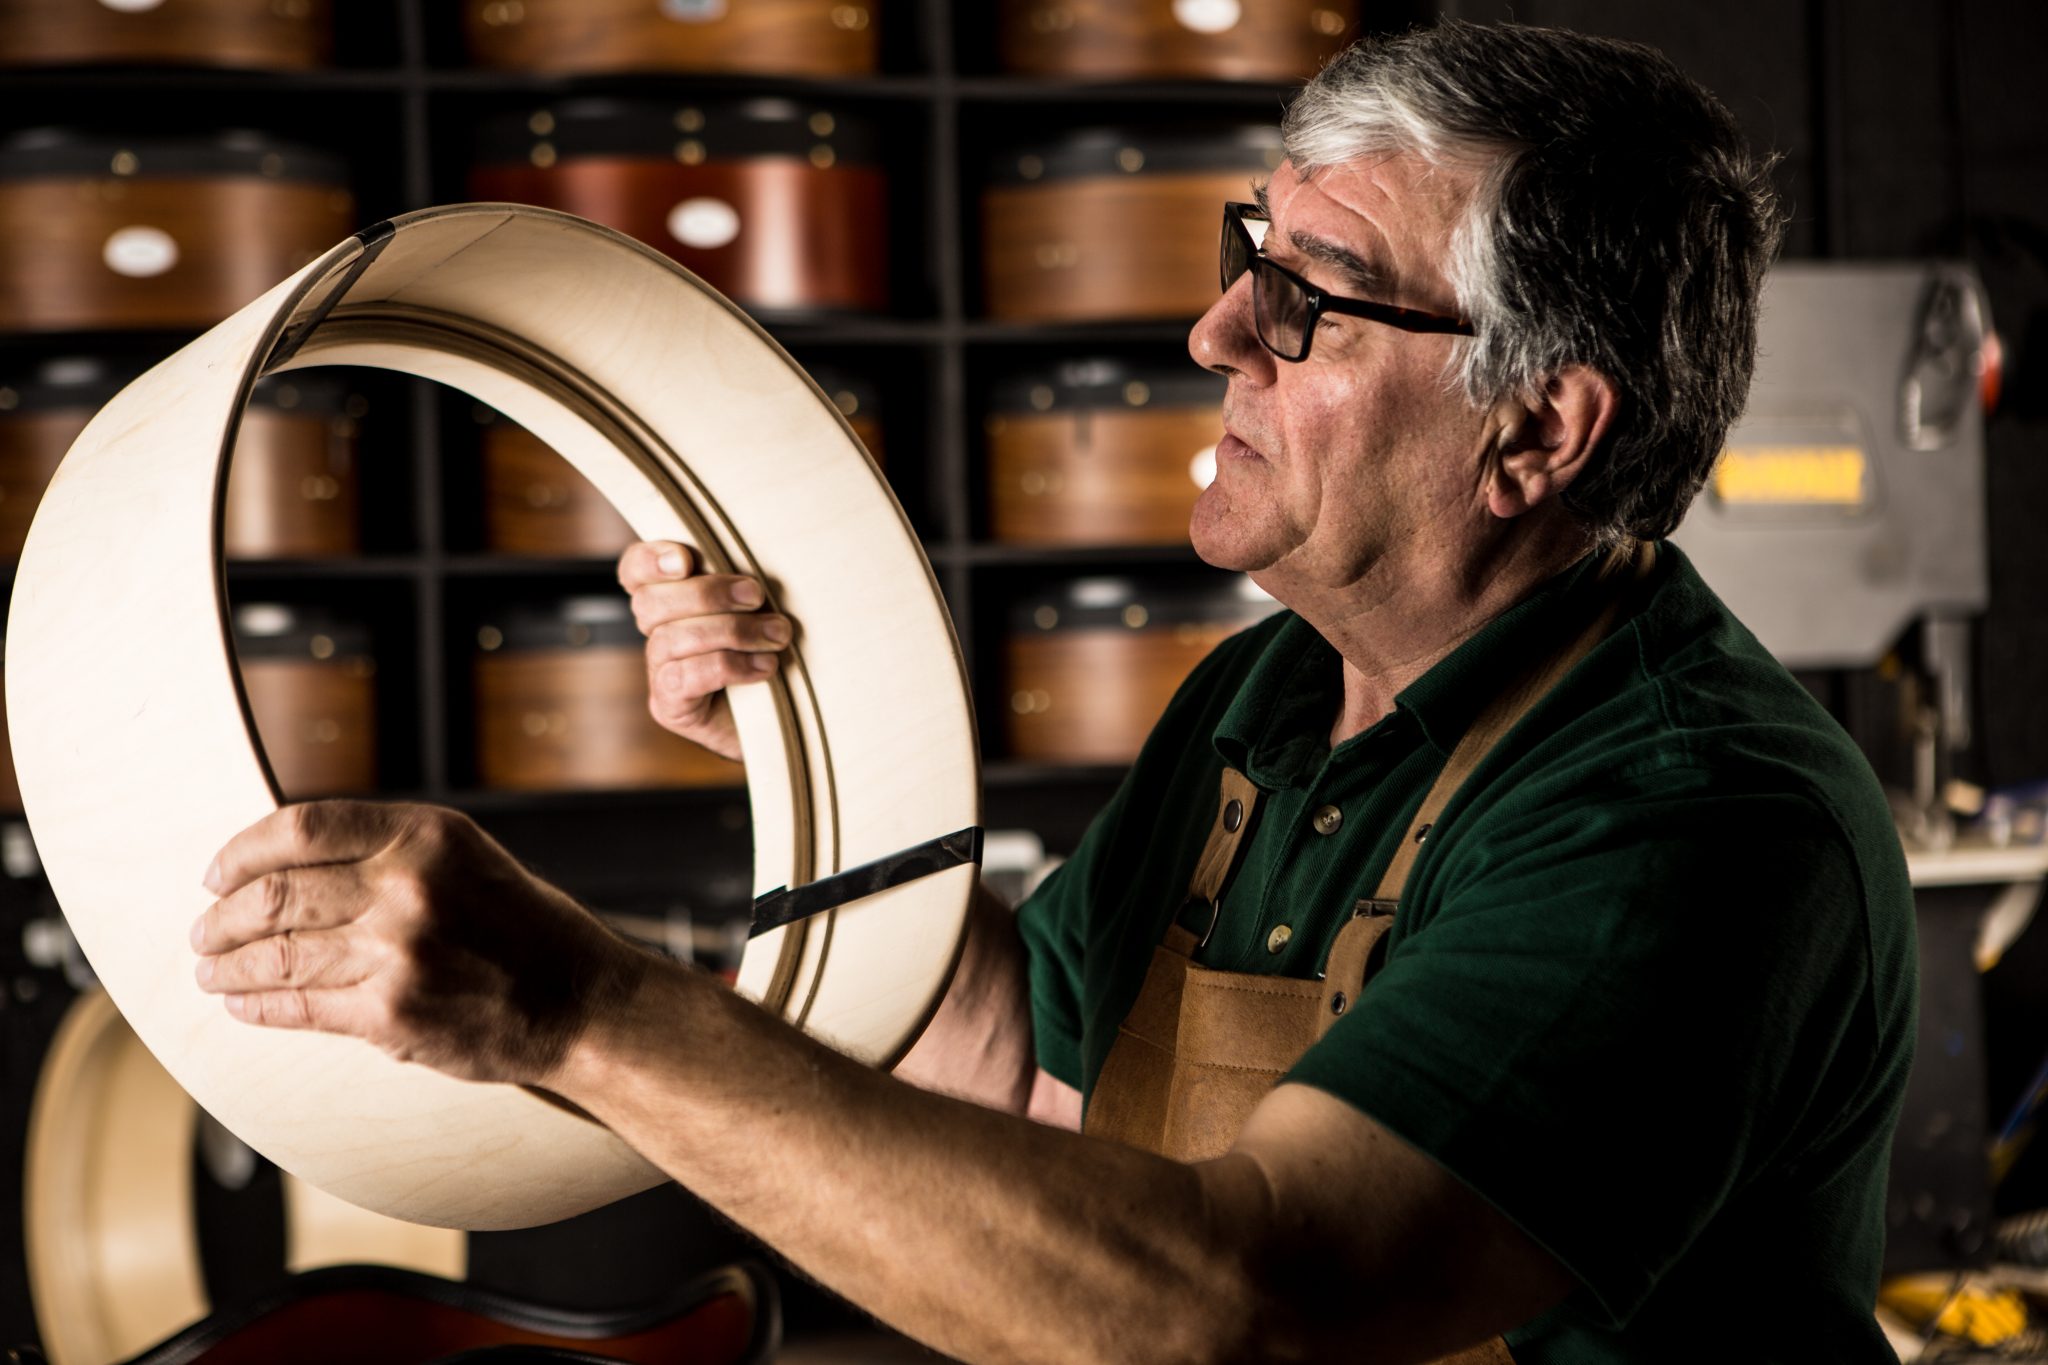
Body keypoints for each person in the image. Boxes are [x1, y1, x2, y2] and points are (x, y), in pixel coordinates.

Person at [188, 20, 1916, 1363]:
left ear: (1537, 429)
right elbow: (1026, 1069)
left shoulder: (1693, 822)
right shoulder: (1265, 700)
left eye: (1314, 300)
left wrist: (585, 1006)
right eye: (1254, 250)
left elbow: (1239, 1309)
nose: (1218, 332)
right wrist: (817, 745)